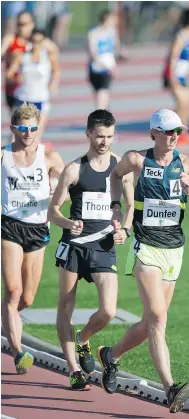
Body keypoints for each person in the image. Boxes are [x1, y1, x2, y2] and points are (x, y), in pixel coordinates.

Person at [97, 109, 189, 413]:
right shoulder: (137, 159)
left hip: (174, 251)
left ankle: (111, 355)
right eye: (167, 132)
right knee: (159, 319)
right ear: (154, 133)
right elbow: (114, 175)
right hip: (145, 248)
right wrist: (114, 207)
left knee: (149, 322)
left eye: (177, 131)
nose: (174, 137)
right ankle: (170, 388)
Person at [48, 109, 134, 390]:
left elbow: (130, 207)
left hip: (103, 246)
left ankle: (84, 339)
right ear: (88, 134)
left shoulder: (120, 168)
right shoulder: (74, 169)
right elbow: (53, 211)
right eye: (99, 136)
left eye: (109, 136)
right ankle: (73, 369)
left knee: (109, 310)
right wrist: (67, 222)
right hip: (73, 247)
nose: (104, 142)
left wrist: (125, 229)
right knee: (65, 308)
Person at [1, 103, 65, 374]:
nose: (28, 133)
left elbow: (70, 186)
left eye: (33, 128)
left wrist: (57, 198)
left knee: (27, 298)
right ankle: (17, 352)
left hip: (38, 228)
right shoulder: (3, 156)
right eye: (23, 128)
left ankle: (6, 317)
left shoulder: (49, 157)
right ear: (13, 128)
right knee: (13, 290)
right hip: (9, 226)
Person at [6, 28, 60, 142]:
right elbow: (8, 75)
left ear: (44, 42)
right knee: (15, 138)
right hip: (23, 99)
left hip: (40, 100)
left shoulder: (48, 56)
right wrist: (16, 78)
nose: (36, 44)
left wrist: (54, 83)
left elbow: (57, 70)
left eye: (39, 41)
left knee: (35, 138)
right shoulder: (21, 56)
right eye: (33, 41)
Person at [1, 11, 59, 114]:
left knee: (31, 124)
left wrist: (53, 81)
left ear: (32, 24)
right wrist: (10, 57)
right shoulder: (11, 39)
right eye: (19, 24)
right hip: (13, 88)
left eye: (24, 24)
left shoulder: (38, 41)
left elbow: (54, 52)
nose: (21, 27)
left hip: (34, 90)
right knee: (17, 125)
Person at [163, 8, 189, 144]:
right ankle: (173, 134)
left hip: (186, 75)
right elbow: (173, 56)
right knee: (181, 104)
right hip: (175, 74)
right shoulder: (182, 35)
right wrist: (172, 77)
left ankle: (182, 133)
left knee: (187, 105)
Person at [87, 10, 121, 110]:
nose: (115, 22)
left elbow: (116, 49)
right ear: (107, 19)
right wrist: (104, 65)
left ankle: (101, 118)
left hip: (108, 70)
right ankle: (103, 116)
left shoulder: (112, 32)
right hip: (96, 69)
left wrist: (121, 55)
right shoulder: (94, 33)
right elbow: (92, 53)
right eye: (113, 20)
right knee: (100, 96)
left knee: (103, 94)